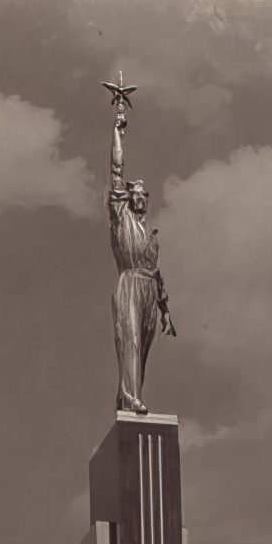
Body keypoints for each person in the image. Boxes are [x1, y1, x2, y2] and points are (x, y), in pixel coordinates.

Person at [107, 109, 174, 414]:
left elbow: (157, 274)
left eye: (141, 194)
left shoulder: (151, 234)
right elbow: (116, 171)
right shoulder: (121, 217)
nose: (137, 197)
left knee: (142, 347)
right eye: (132, 193)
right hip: (129, 282)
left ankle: (131, 396)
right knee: (130, 341)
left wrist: (165, 309)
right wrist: (118, 132)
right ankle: (129, 395)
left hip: (148, 288)